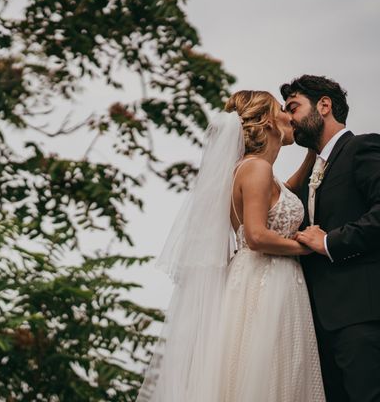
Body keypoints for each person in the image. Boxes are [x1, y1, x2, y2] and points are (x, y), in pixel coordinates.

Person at [137, 90, 325, 401]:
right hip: (266, 281)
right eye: (282, 109)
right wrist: (307, 246)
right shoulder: (256, 169)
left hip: (260, 277)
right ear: (266, 121)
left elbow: (282, 197)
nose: (289, 116)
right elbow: (257, 236)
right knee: (266, 373)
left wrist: (312, 155)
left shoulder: (252, 169)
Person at [283, 75, 380, 402]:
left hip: (362, 316)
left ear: (324, 105)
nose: (289, 118)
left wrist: (329, 242)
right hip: (316, 325)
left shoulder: (362, 148)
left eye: (293, 107)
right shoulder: (310, 173)